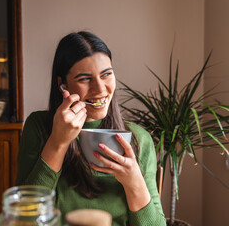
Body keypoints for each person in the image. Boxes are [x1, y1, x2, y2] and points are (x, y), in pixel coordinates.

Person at [15, 31, 166, 226]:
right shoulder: (39, 127)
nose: (101, 89)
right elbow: (23, 218)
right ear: (62, 85)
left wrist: (134, 183)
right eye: (85, 79)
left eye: (106, 75)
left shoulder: (139, 139)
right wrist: (58, 142)